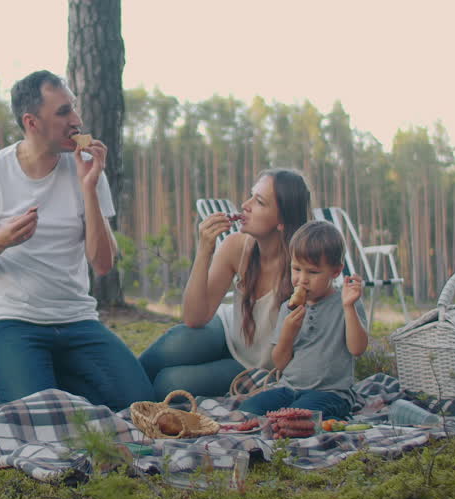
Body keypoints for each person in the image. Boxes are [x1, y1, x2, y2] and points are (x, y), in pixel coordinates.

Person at [0, 70, 153, 410]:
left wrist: (88, 187)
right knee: (38, 421)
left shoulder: (88, 168)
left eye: (73, 108)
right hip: (14, 320)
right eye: (63, 112)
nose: (76, 120)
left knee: (140, 406)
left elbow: (102, 264)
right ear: (32, 122)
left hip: (76, 318)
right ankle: (23, 381)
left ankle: (32, 381)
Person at [138, 170, 311, 398]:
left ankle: (135, 399)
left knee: (170, 383)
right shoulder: (236, 246)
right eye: (251, 196)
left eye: (259, 202)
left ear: (282, 220)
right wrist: (204, 251)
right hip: (228, 330)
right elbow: (194, 317)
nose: (245, 205)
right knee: (172, 345)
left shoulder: (304, 268)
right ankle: (113, 391)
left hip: (253, 364)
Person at [238, 220, 369, 419]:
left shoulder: (345, 303)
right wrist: (288, 334)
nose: (302, 279)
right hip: (289, 388)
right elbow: (280, 363)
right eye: (297, 269)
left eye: (313, 272)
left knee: (299, 416)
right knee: (248, 410)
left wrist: (349, 307)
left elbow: (357, 349)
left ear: (335, 271)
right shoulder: (288, 308)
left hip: (331, 394)